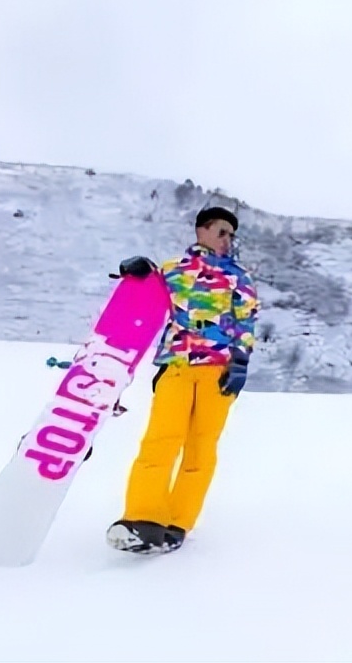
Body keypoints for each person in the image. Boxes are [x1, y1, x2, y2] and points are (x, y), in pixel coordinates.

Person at [106, 206, 258, 554]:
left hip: (218, 371)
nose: (227, 240)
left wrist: (240, 361)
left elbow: (246, 320)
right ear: (201, 231)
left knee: (201, 448)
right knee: (161, 439)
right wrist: (137, 272)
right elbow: (145, 297)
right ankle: (142, 518)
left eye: (231, 234)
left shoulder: (239, 276)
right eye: (221, 232)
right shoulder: (174, 270)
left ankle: (176, 523)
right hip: (177, 364)